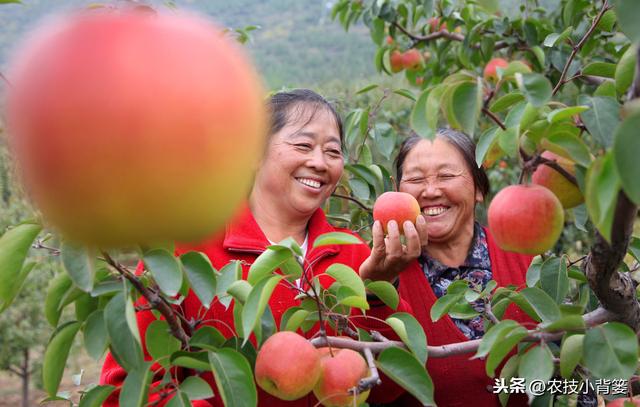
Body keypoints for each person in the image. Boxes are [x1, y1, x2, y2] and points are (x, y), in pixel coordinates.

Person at [100, 89, 427, 406]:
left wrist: (376, 291)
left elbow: (391, 392)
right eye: (303, 144)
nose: (319, 162)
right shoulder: (185, 252)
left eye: (332, 151)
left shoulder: (355, 254)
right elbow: (128, 389)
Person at [361, 129, 533, 406]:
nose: (430, 191)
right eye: (416, 179)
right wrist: (375, 293)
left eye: (446, 176)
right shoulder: (382, 272)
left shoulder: (525, 259)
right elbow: (377, 391)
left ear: (479, 188)